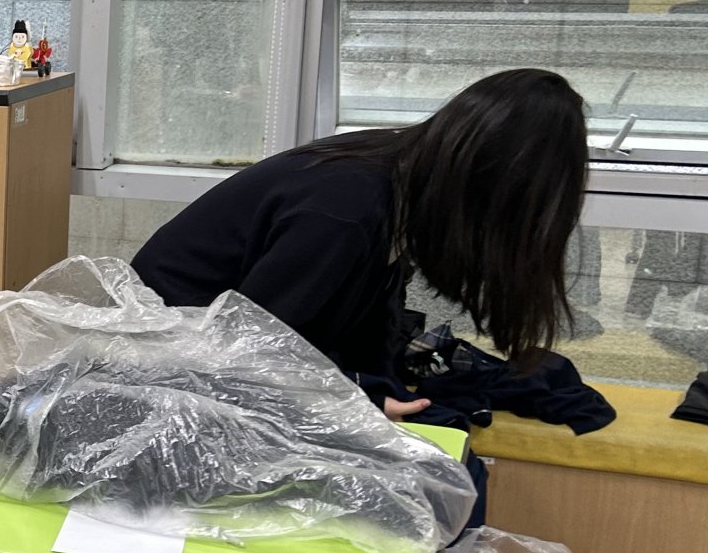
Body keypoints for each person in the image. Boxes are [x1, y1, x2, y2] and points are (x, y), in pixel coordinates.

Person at [132, 69, 588, 417]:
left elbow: (371, 312)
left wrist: (378, 386)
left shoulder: (403, 174)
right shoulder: (347, 205)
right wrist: (361, 395)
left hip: (226, 353)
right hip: (170, 361)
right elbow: (247, 345)